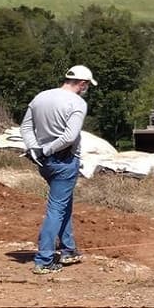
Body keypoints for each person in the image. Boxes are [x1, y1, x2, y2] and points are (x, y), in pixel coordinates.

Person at [20, 65, 97, 275]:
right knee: (56, 208)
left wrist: (35, 149)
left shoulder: (41, 97)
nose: (86, 88)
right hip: (63, 161)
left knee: (64, 204)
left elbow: (26, 127)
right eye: (87, 85)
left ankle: (68, 249)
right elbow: (69, 137)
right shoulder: (77, 103)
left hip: (44, 162)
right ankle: (44, 259)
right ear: (81, 84)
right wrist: (46, 150)